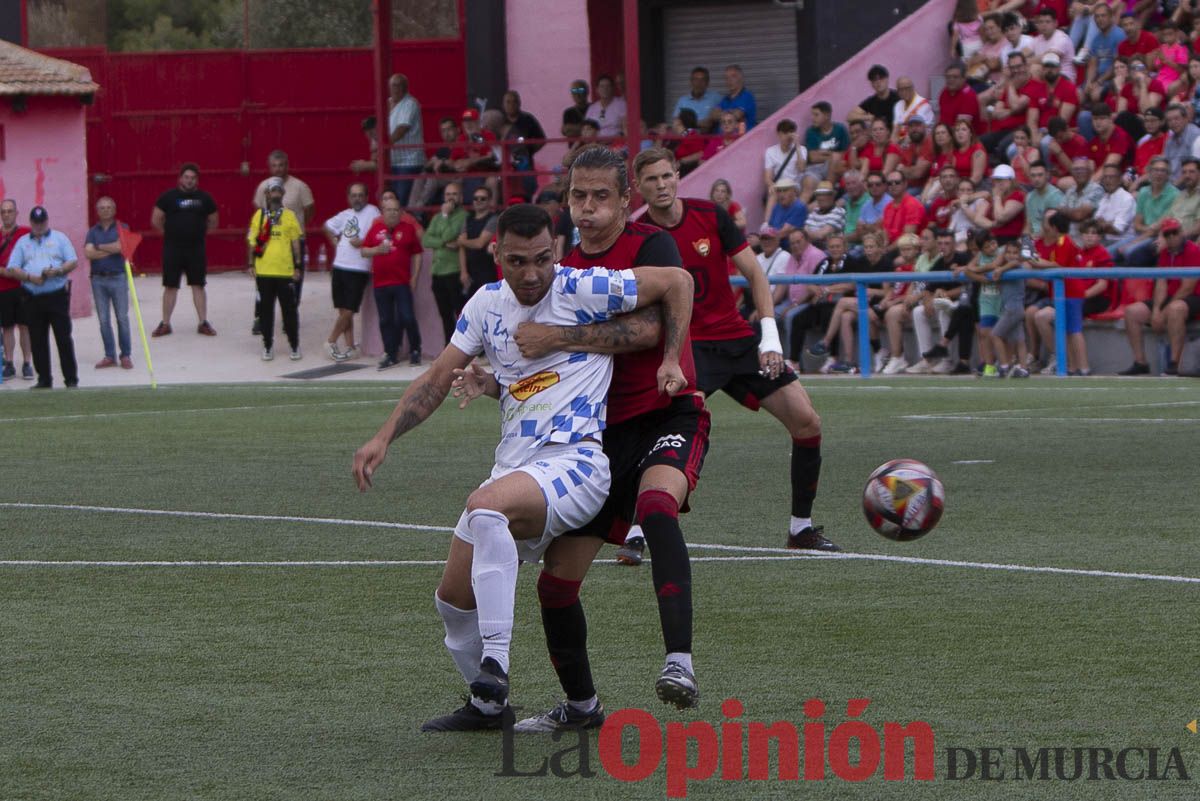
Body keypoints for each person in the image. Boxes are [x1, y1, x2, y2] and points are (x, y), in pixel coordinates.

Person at [351, 202, 694, 733]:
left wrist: (671, 357)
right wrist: (383, 436)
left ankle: (497, 666)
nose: (532, 274)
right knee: (452, 603)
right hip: (515, 468)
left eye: (542, 259)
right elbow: (439, 376)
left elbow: (676, 280)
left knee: (484, 508)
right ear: (496, 256)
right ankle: (490, 709)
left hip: (577, 462)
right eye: (517, 261)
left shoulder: (583, 288)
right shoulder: (485, 304)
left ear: (556, 251)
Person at [500, 145, 708, 724]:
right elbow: (528, 340)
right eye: (577, 196)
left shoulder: (650, 247)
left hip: (667, 415)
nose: (586, 208)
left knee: (658, 507)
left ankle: (679, 663)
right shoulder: (560, 266)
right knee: (556, 586)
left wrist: (565, 339)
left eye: (600, 197)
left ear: (624, 200)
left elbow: (645, 328)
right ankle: (581, 706)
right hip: (595, 441)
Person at [628, 147, 836, 554]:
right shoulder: (639, 235)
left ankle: (800, 529)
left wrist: (770, 338)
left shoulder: (711, 215)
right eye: (651, 179)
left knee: (807, 422)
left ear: (677, 176)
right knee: (662, 434)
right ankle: (636, 529)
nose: (662, 185)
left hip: (737, 342)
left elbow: (755, 273)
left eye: (667, 176)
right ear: (639, 187)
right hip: (687, 349)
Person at [3, 206, 78, 388]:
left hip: (56, 296)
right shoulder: (23, 242)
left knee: (63, 337)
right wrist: (30, 277)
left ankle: (71, 379)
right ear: (31, 223)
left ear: (47, 221)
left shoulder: (59, 238)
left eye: (42, 222)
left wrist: (58, 270)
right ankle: (44, 379)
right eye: (35, 223)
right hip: (32, 297)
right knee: (37, 339)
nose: (39, 226)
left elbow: (72, 261)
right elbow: (13, 267)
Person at [1118, 216, 1200, 376]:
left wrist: (1163, 312)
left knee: (1175, 309)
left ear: (1181, 232)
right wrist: (1156, 310)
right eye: (1167, 234)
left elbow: (1188, 287)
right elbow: (1161, 283)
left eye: (1175, 232)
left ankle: (1175, 363)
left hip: (1194, 296)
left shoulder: (1193, 250)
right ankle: (1140, 362)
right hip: (1174, 296)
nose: (1171, 237)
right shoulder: (1164, 253)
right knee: (1132, 312)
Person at [1031, 215, 1107, 375]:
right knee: (1067, 329)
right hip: (1065, 292)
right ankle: (1072, 366)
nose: (1045, 228)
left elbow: (1058, 265)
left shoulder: (1064, 241)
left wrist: (1035, 261)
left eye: (1048, 225)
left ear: (1054, 227)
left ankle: (1084, 367)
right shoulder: (1060, 242)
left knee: (1074, 330)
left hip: (1071, 291)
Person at [150, 162, 218, 337]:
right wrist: (171, 234)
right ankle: (165, 324)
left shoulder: (205, 198)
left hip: (196, 249)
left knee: (198, 285)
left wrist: (198, 234)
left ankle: (203, 322)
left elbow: (213, 221)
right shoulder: (168, 197)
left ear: (197, 180)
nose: (189, 180)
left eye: (193, 178)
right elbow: (156, 219)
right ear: (180, 178)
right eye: (186, 177)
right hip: (173, 249)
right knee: (170, 286)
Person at [251, 150, 315, 333]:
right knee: (263, 279)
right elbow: (258, 211)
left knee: (294, 280)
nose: (278, 169)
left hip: (293, 242)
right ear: (269, 167)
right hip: (268, 240)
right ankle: (260, 318)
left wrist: (297, 229)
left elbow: (309, 209)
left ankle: (290, 317)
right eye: (274, 166)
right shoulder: (263, 186)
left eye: (281, 165)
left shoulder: (300, 186)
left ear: (287, 165)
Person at [362, 196, 423, 368]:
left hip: (402, 281)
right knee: (385, 319)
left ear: (401, 212)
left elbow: (417, 253)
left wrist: (415, 276)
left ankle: (415, 349)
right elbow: (364, 251)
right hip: (380, 283)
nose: (393, 213)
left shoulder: (408, 228)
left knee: (407, 316)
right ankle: (390, 353)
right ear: (383, 212)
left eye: (396, 210)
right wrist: (377, 250)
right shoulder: (375, 229)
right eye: (389, 210)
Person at [246, 178, 303, 362]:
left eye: (279, 191)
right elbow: (252, 241)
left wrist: (298, 265)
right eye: (273, 191)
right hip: (264, 272)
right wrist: (250, 264)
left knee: (290, 311)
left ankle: (294, 344)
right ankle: (267, 345)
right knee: (265, 311)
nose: (276, 194)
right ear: (267, 194)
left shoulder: (289, 216)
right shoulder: (259, 216)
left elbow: (295, 243)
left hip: (285, 271)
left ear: (283, 193)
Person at [322, 182, 379, 361]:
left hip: (358, 267)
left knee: (350, 309)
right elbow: (327, 225)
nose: (357, 198)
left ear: (366, 197)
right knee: (342, 309)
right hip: (339, 265)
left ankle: (331, 340)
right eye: (353, 195)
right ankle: (350, 346)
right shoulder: (345, 214)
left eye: (360, 195)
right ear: (348, 197)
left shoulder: (373, 212)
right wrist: (333, 239)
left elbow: (378, 234)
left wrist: (363, 242)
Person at [83, 196, 133, 370]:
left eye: (109, 207)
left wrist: (98, 247)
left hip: (118, 277)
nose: (105, 210)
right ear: (97, 211)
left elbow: (121, 247)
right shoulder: (92, 231)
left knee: (122, 318)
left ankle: (125, 355)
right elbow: (88, 253)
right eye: (102, 208)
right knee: (103, 320)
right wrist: (109, 248)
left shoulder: (122, 227)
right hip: (98, 279)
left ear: (114, 209)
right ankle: (109, 355)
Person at [422, 182, 468, 346]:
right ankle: (448, 346)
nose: (450, 198)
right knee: (444, 313)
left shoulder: (463, 216)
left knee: (459, 311)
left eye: (454, 194)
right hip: (437, 271)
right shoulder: (437, 217)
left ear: (461, 197)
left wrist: (446, 217)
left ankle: (465, 346)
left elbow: (450, 235)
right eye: (448, 194)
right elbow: (426, 240)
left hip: (454, 271)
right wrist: (444, 242)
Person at [0, 198, 34, 379]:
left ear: (16, 213)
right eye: (3, 211)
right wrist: (5, 272)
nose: (6, 214)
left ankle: (27, 363)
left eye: (9, 211)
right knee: (6, 328)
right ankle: (10, 362)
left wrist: (20, 272)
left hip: (23, 287)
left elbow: (35, 256)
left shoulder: (25, 233)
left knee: (24, 327)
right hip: (3, 288)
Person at [388, 73, 424, 208]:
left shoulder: (410, 103)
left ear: (405, 87)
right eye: (393, 85)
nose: (395, 88)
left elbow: (403, 127)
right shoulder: (388, 102)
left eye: (398, 85)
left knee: (401, 201)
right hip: (393, 160)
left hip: (409, 161)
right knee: (391, 199)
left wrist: (385, 145)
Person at [802, 101, 851, 202]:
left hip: (834, 168)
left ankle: (826, 193)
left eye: (816, 115)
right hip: (815, 169)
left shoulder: (840, 129)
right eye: (812, 114)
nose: (813, 118)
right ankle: (795, 213)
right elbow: (812, 157)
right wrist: (832, 155)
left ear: (827, 115)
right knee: (808, 185)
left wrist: (824, 154)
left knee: (836, 157)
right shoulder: (811, 131)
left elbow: (845, 154)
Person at [459, 186, 499, 296]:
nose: (478, 201)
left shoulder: (494, 219)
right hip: (470, 272)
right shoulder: (468, 219)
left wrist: (463, 241)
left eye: (483, 198)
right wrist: (463, 272)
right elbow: (462, 247)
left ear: (490, 201)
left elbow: (480, 243)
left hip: (488, 270)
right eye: (476, 198)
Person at [763, 118, 804, 217]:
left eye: (791, 132)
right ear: (779, 134)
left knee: (785, 192)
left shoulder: (801, 150)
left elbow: (801, 168)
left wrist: (797, 147)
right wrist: (771, 185)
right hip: (779, 186)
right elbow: (767, 177)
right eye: (785, 133)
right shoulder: (770, 151)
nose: (788, 136)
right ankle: (766, 226)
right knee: (774, 193)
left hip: (794, 186)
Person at [673, 67, 723, 132]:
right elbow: (676, 124)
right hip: (688, 139)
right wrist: (699, 123)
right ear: (691, 82)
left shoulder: (716, 98)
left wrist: (688, 123)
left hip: (709, 139)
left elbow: (723, 118)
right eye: (696, 79)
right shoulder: (682, 101)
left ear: (707, 83)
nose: (699, 83)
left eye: (703, 80)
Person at [938, 61, 983, 134]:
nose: (951, 80)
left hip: (968, 139)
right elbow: (941, 120)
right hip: (948, 135)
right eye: (948, 77)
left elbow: (961, 128)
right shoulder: (944, 93)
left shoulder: (968, 96)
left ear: (964, 79)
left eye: (955, 77)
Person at [767, 178, 809, 252]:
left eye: (785, 190)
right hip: (776, 246)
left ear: (794, 191)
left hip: (790, 249)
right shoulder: (777, 206)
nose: (782, 194)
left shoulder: (799, 207)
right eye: (779, 191)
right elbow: (770, 227)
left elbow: (784, 232)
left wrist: (765, 240)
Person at [717, 64, 757, 129]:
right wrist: (729, 113)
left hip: (742, 138)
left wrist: (722, 113)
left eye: (733, 76)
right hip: (724, 138)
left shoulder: (747, 96)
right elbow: (713, 115)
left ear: (741, 78)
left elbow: (737, 115)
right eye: (727, 78)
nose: (729, 80)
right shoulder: (725, 99)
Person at [587, 75, 626, 139]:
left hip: (616, 143)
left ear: (613, 88)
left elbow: (625, 128)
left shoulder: (621, 104)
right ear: (597, 90)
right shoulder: (592, 108)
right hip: (595, 144)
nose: (605, 89)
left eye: (608, 86)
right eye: (602, 86)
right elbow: (586, 129)